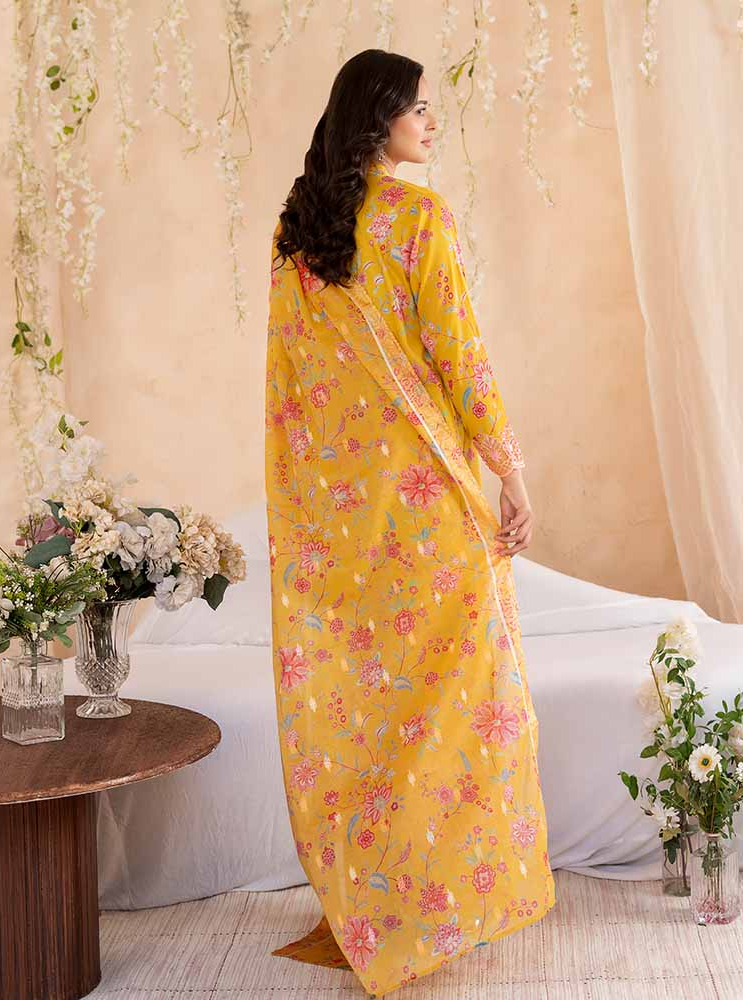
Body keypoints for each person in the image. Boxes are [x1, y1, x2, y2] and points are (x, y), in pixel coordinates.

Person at [264, 48, 555, 999]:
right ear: (377, 115)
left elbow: (291, 395)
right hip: (430, 505)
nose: (432, 123)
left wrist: (311, 519)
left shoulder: (297, 231)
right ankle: (436, 904)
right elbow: (459, 353)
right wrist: (510, 472)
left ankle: (378, 902)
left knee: (375, 703)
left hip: (347, 520)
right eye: (419, 109)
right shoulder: (418, 216)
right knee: (460, 698)